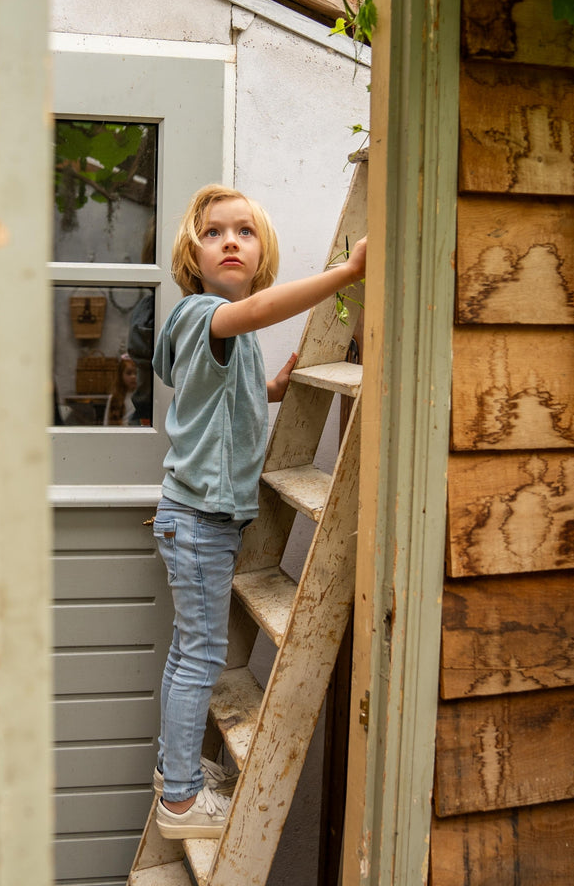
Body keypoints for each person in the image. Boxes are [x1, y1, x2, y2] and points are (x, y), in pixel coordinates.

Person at [149, 183, 367, 840]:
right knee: (202, 654)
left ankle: (174, 771)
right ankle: (182, 803)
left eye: (243, 231)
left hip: (200, 519)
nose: (230, 242)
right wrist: (346, 276)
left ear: (260, 248)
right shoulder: (202, 314)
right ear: (194, 254)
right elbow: (257, 315)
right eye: (214, 233)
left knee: (190, 650)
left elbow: (201, 396)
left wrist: (268, 388)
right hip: (198, 520)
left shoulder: (221, 333)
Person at [106, 355, 138, 426]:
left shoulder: (143, 397)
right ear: (121, 375)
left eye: (136, 373)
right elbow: (106, 425)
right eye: (129, 373)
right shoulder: (114, 398)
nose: (133, 377)